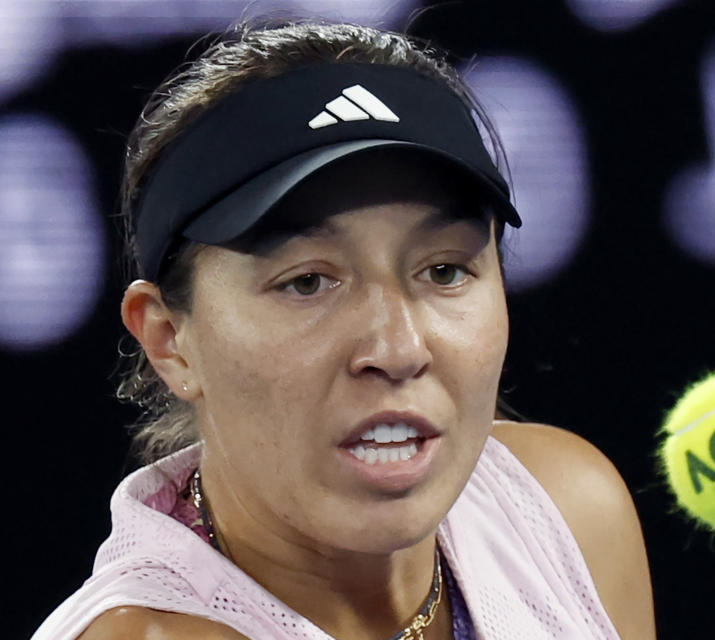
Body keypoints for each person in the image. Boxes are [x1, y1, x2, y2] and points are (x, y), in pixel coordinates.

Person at [33, 18, 655, 640]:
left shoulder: (566, 512)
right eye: (307, 282)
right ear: (170, 341)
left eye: (443, 270)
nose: (398, 349)